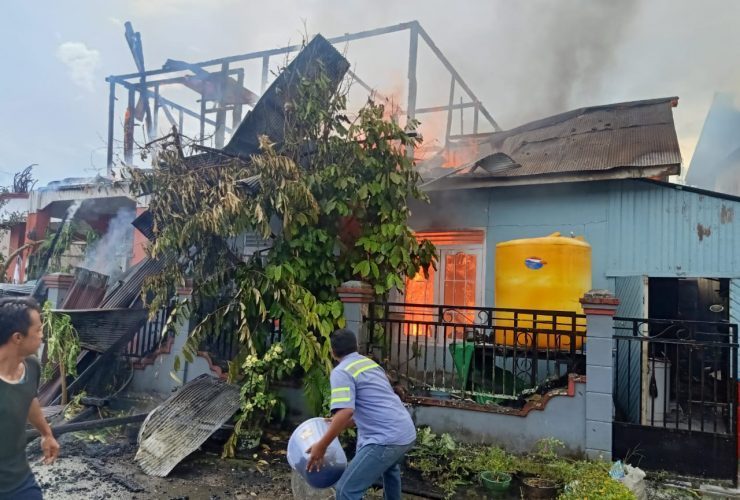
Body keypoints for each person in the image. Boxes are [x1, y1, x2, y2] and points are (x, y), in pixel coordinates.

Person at [307, 328, 416, 500]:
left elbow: (345, 411)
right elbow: (372, 407)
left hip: (386, 439)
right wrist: (339, 422)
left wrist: (321, 446)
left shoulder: (342, 372)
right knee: (390, 470)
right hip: (405, 431)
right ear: (356, 346)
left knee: (346, 490)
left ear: (332, 352)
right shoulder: (369, 364)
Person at [0, 297, 59, 500]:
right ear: (18, 337)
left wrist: (46, 434)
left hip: (19, 480)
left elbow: (29, 398)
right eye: (38, 330)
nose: (43, 335)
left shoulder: (31, 367)